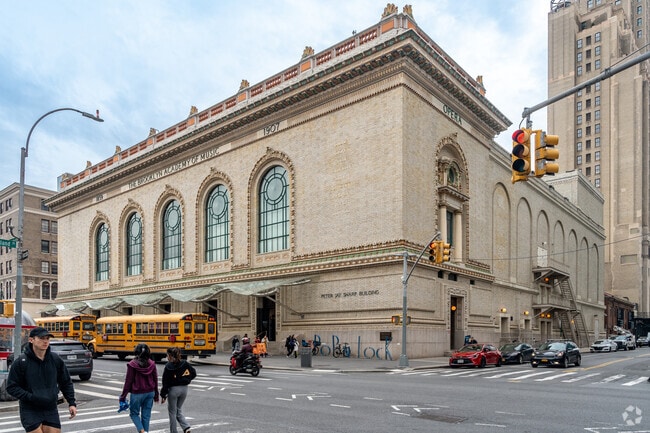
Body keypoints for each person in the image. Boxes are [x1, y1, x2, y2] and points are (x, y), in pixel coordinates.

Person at [6, 326, 77, 433]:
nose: (45, 341)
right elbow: (11, 387)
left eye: (47, 339)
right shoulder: (21, 362)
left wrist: (71, 403)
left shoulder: (55, 359)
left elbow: (66, 382)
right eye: (41, 338)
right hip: (30, 408)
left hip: (50, 407)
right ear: (31, 340)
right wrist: (30, 397)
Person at [120, 343, 159, 433]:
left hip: (137, 393)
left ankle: (141, 430)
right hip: (150, 392)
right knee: (146, 416)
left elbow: (128, 381)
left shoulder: (132, 364)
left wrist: (123, 396)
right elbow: (155, 379)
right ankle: (145, 431)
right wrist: (156, 394)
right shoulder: (152, 364)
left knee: (134, 414)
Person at [161, 347, 196, 433]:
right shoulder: (185, 363)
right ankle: (186, 427)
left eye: (167, 355)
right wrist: (187, 380)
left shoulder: (168, 366)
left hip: (173, 390)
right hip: (184, 389)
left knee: (172, 412)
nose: (167, 357)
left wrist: (163, 395)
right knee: (178, 409)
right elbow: (194, 373)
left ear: (170, 356)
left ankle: (174, 431)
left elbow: (165, 382)